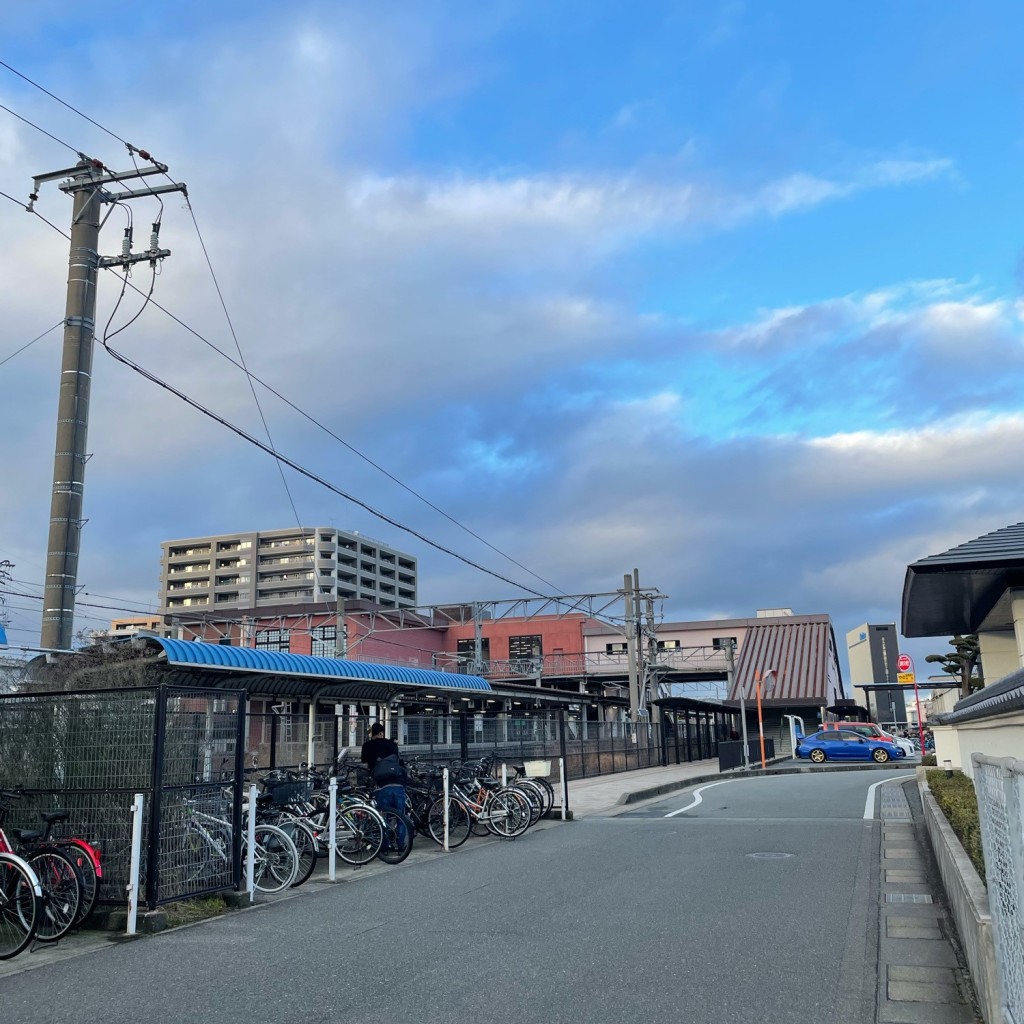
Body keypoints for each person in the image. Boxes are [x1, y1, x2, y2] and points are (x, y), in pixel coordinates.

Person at [360, 723, 409, 847]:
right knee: (400, 816)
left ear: (372, 734)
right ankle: (401, 844)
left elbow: (364, 760)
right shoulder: (390, 744)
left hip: (381, 785)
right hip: (397, 784)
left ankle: (385, 845)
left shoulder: (367, 745)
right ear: (381, 733)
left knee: (383, 816)